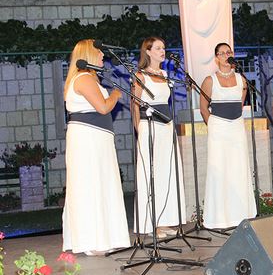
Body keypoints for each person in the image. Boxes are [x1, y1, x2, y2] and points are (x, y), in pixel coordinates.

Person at [62, 39, 129, 256]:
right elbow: (102, 107)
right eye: (99, 53)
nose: (103, 56)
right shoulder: (83, 78)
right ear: (89, 55)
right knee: (91, 185)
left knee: (99, 184)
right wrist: (116, 94)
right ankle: (91, 241)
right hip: (88, 138)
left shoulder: (88, 77)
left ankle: (101, 237)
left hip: (95, 137)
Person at [132, 37, 186, 239]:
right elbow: (135, 105)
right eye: (158, 48)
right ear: (148, 52)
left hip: (166, 127)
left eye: (163, 47)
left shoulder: (164, 74)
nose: (162, 51)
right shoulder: (140, 76)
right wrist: (139, 130)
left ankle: (164, 221)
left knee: (167, 172)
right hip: (149, 126)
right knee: (152, 174)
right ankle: (151, 223)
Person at [199, 43, 257, 228]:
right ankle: (219, 217)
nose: (226, 55)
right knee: (220, 169)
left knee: (238, 168)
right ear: (217, 58)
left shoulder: (241, 79)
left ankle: (240, 213)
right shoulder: (210, 80)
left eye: (228, 52)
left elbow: (240, 104)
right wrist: (213, 125)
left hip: (236, 128)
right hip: (218, 129)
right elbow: (203, 108)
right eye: (222, 53)